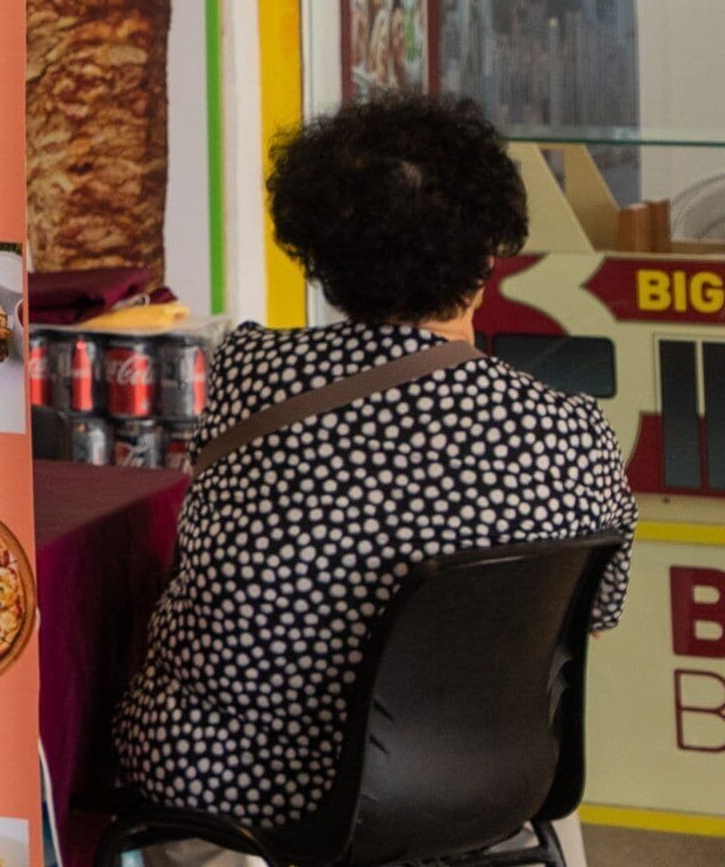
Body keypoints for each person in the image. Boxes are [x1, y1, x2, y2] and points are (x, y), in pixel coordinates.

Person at [114, 95, 633, 830]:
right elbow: (589, 626)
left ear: (319, 253)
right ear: (490, 251)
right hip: (478, 783)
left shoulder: (251, 373)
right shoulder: (573, 433)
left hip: (225, 783)